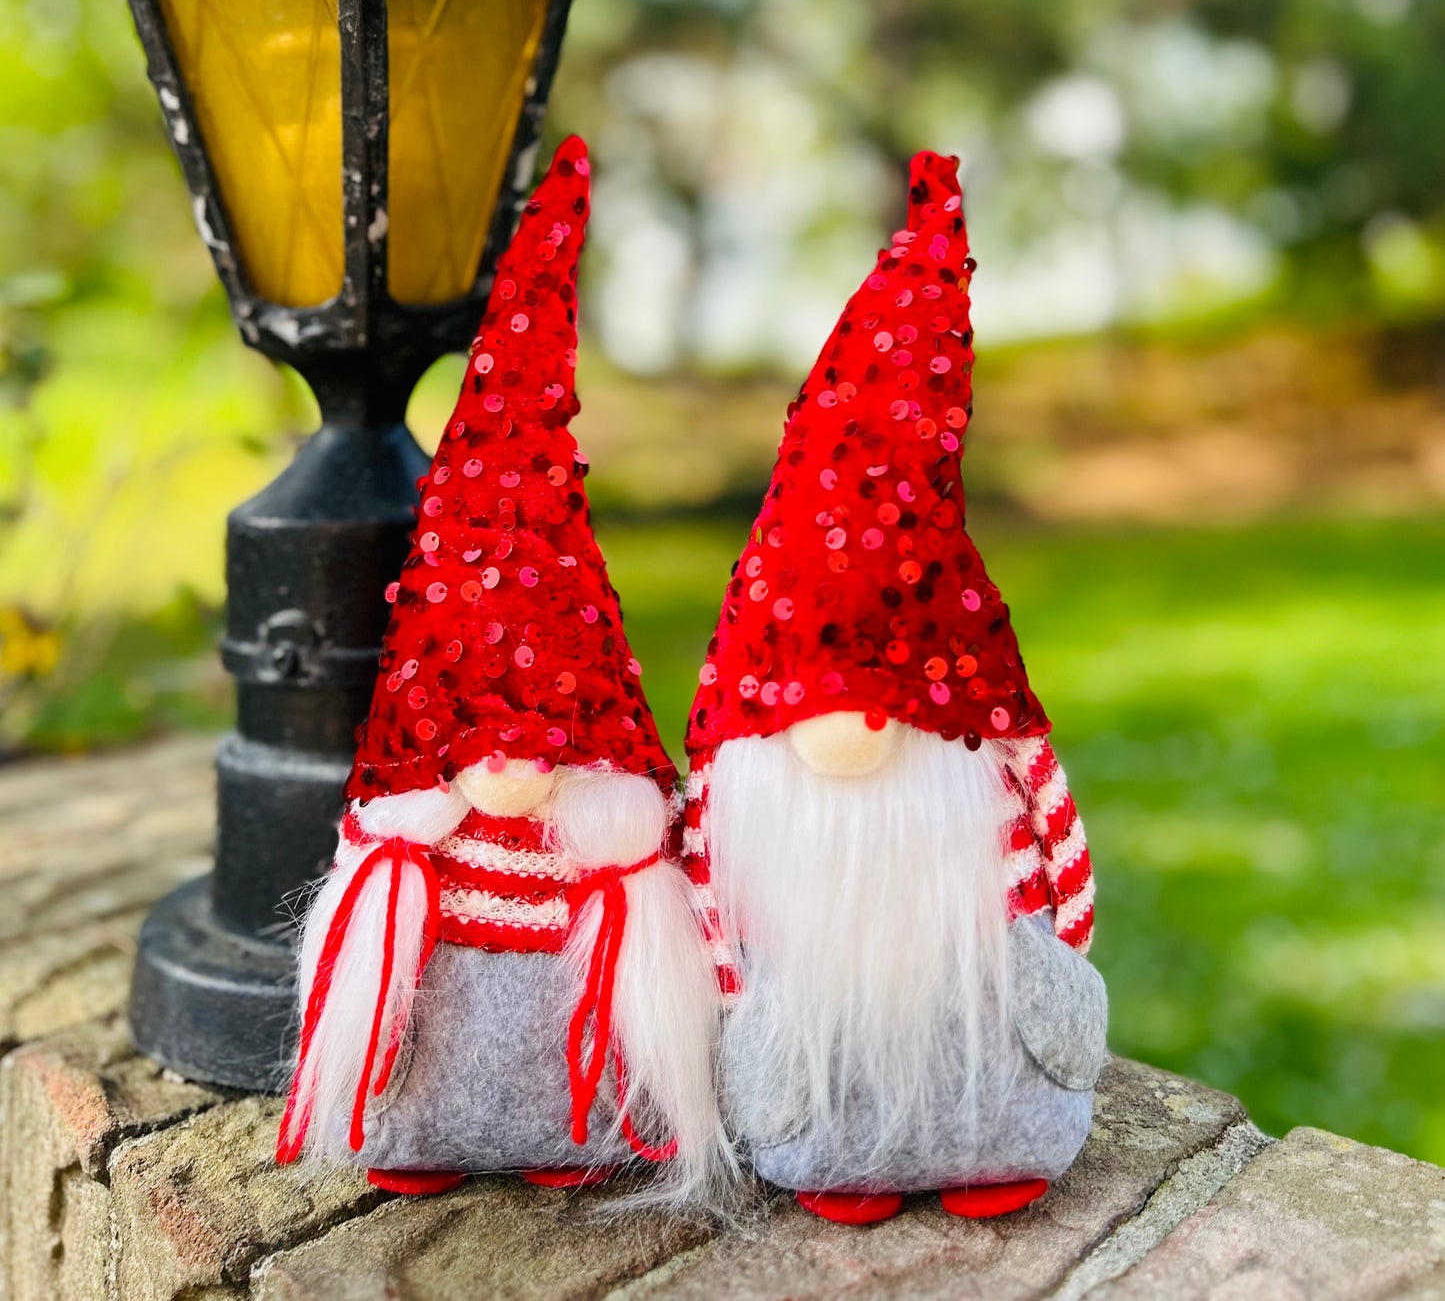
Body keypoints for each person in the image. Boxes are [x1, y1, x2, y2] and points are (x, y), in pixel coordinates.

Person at [277, 139, 725, 1203]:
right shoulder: (409, 848)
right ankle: (419, 1123)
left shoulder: (606, 849)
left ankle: (575, 1123)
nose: (515, 761)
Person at [682, 150, 1106, 1225]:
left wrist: (1053, 974)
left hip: (990, 1036)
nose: (849, 721)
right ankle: (833, 1148)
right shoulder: (748, 799)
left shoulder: (986, 763)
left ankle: (986, 1141)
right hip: (811, 1063)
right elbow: (713, 911)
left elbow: (1056, 874)